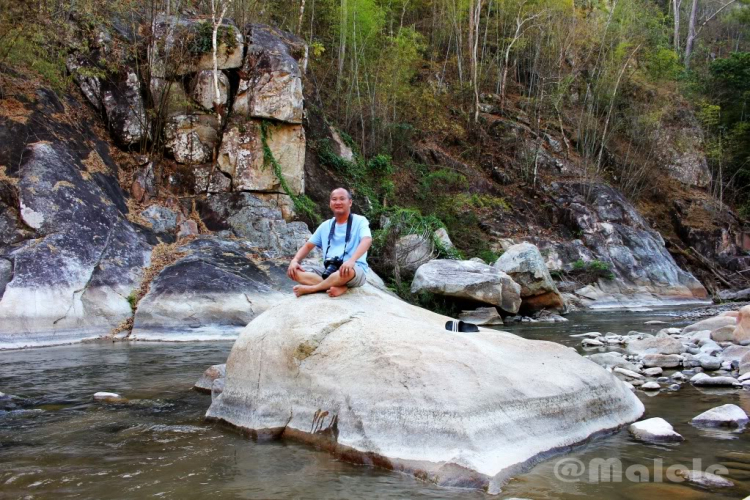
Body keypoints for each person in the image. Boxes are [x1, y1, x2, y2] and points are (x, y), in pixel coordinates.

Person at [287, 188, 372, 297]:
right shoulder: (325, 225)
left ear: (350, 202)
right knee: (294, 272)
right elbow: (308, 246)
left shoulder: (360, 221)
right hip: (330, 270)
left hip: (353, 269)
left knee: (348, 271)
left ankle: (313, 288)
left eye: (342, 199)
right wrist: (295, 260)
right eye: (334, 199)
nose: (338, 202)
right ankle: (339, 286)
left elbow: (367, 240)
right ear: (330, 203)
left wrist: (351, 261)